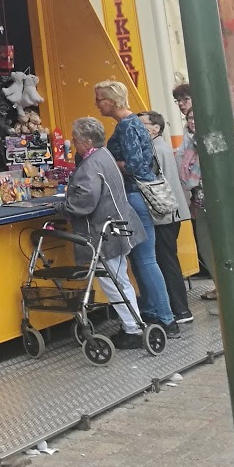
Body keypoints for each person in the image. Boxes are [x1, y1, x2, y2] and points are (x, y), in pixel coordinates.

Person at [94, 80, 179, 335]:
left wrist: (109, 162)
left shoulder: (128, 126)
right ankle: (155, 311)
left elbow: (135, 166)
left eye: (99, 99)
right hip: (137, 197)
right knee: (143, 259)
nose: (96, 104)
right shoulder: (131, 124)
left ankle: (165, 317)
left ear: (112, 101)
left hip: (134, 196)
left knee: (145, 259)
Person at [61, 117, 146, 348]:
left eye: (75, 139)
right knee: (120, 280)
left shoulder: (91, 166)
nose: (73, 142)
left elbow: (85, 202)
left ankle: (132, 329)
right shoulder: (104, 155)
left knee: (113, 282)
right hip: (115, 227)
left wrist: (62, 207)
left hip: (103, 233)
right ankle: (133, 325)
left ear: (87, 142)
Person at [173, 80, 234, 300]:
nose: (182, 105)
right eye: (178, 101)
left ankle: (230, 287)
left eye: (185, 99)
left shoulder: (213, 133)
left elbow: (221, 166)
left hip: (219, 201)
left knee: (222, 245)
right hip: (201, 201)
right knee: (206, 245)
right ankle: (222, 285)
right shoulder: (190, 136)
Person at [139, 110, 194, 324]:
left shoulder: (153, 148)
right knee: (168, 259)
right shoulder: (162, 146)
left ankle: (180, 309)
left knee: (166, 260)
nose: (138, 128)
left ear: (156, 128)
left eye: (142, 124)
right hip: (173, 212)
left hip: (164, 214)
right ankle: (179, 308)